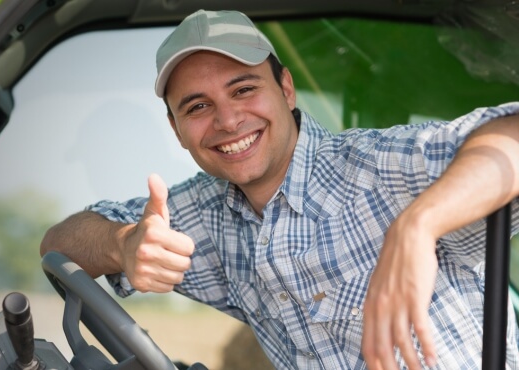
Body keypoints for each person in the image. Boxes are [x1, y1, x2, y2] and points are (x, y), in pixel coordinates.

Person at [40, 9, 519, 370]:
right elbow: (58, 245)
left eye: (244, 89)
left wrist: (419, 223)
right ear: (177, 128)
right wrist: (122, 244)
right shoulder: (203, 214)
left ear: (286, 89)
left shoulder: (379, 167)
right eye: (198, 106)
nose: (228, 121)